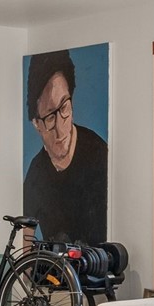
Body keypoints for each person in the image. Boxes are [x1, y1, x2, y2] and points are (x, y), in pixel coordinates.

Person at [22, 50, 108, 244]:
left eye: (64, 107)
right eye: (50, 117)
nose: (61, 128)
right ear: (37, 124)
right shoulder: (35, 174)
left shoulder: (99, 156)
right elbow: (24, 242)